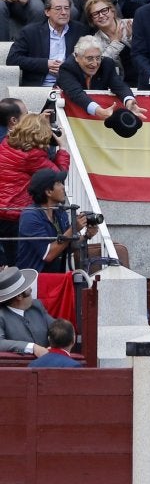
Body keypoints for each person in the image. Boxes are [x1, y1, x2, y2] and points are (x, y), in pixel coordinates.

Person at [0, 112, 70, 266]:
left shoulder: (6, 143)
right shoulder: (33, 155)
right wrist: (62, 148)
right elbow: (57, 176)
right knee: (21, 263)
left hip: (2, 210)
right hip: (16, 213)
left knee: (6, 265)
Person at [16, 168, 99, 273]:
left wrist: (86, 235)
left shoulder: (60, 213)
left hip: (56, 278)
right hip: (35, 280)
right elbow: (48, 255)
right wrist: (73, 228)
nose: (63, 187)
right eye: (59, 183)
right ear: (48, 191)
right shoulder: (30, 216)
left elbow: (66, 247)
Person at [6, 0, 88, 86]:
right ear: (47, 12)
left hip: (71, 86)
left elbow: (89, 59)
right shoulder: (31, 32)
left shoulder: (80, 31)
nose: (64, 12)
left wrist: (68, 68)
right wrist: (45, 64)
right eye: (58, 9)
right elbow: (13, 59)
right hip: (39, 87)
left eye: (67, 8)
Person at [57, 34, 147, 120]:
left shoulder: (106, 64)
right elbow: (77, 94)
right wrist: (98, 111)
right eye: (90, 58)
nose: (95, 63)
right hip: (69, 118)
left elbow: (119, 86)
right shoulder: (67, 68)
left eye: (98, 58)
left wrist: (129, 101)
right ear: (77, 57)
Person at [0, 265, 53, 355]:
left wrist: (61, 340)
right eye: (29, 291)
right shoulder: (2, 315)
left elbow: (56, 327)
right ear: (19, 296)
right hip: (18, 367)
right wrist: (32, 347)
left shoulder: (36, 306)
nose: (31, 290)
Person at [84, 0, 136, 83]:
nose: (101, 15)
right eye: (95, 14)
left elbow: (149, 53)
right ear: (92, 19)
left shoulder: (133, 24)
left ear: (112, 11)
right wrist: (115, 43)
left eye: (104, 10)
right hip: (118, 85)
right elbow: (100, 67)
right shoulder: (94, 42)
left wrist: (133, 38)